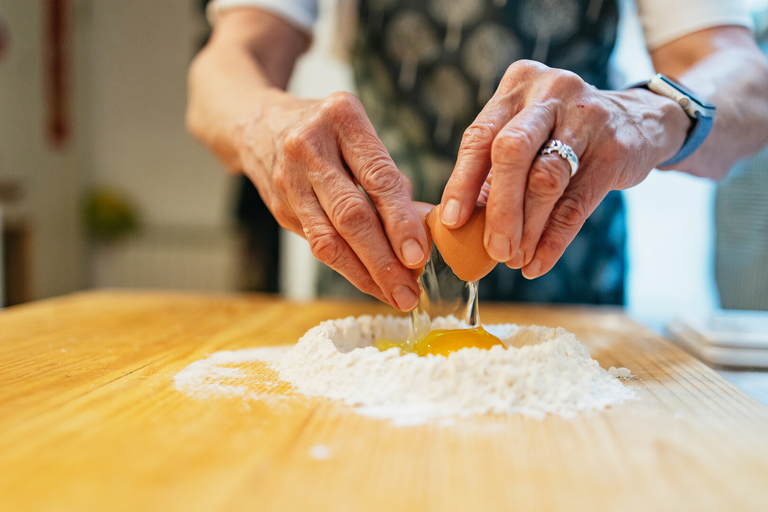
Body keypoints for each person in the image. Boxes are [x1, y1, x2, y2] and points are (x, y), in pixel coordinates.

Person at [187, 0, 768, 312]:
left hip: (576, 296)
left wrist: (648, 113)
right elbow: (231, 61)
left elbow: (745, 81)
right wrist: (266, 122)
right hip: (376, 286)